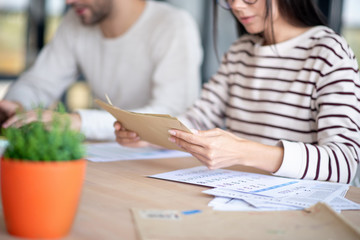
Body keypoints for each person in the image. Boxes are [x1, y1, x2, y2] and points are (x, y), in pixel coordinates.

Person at [114, 0, 360, 184]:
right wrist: (148, 135)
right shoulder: (240, 51)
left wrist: (243, 151)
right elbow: (197, 120)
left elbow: (344, 163)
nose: (236, 6)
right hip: (234, 192)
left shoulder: (329, 53)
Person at [0, 0, 202, 140]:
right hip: (107, 154)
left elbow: (172, 115)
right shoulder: (76, 21)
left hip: (164, 162)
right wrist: (17, 106)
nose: (68, 1)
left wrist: (77, 121)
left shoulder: (173, 24)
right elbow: (38, 83)